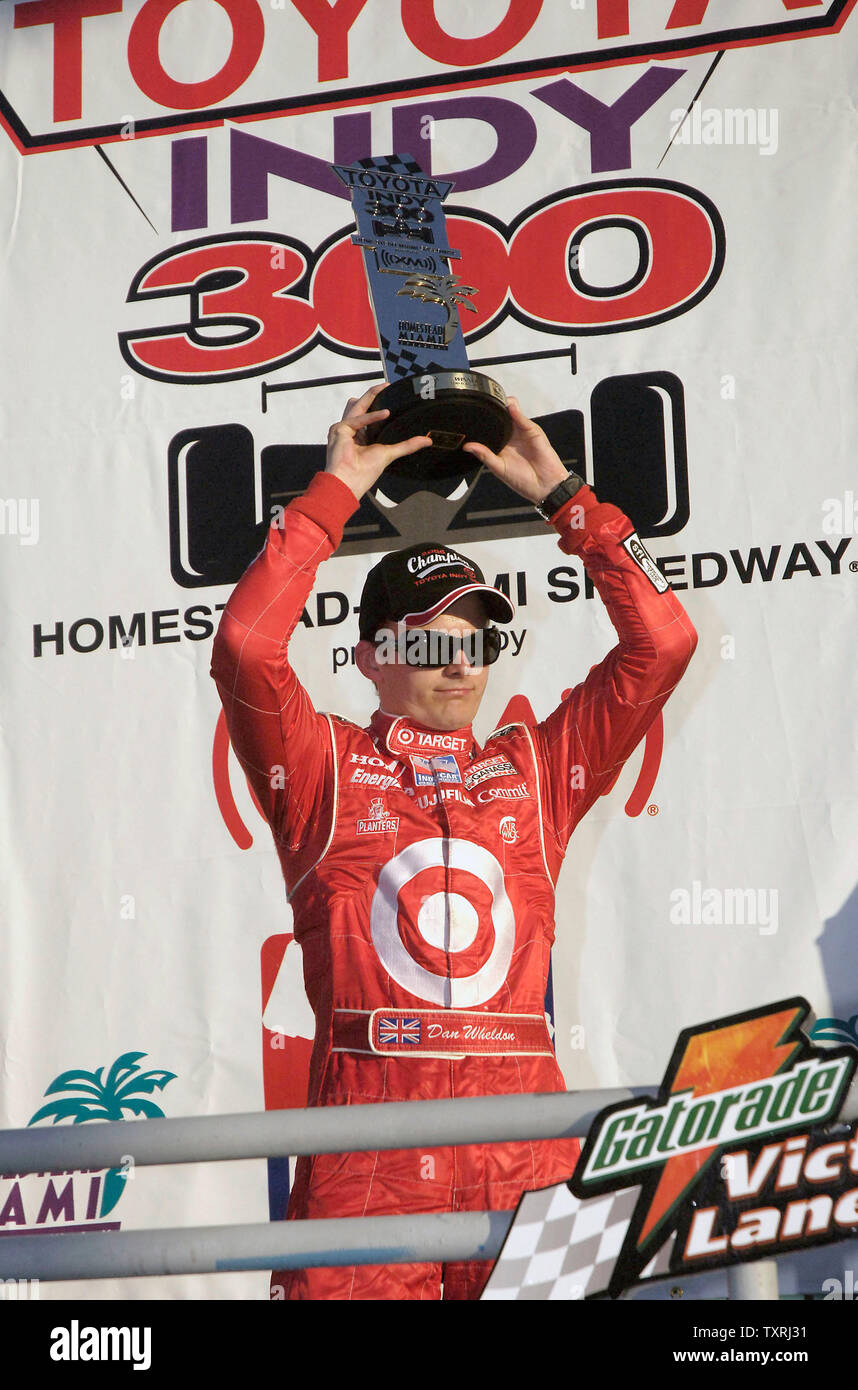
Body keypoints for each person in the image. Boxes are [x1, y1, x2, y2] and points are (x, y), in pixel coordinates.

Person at [210, 384, 698, 1300]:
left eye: (477, 639)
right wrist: (335, 492)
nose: (462, 662)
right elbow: (244, 646)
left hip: (530, 1164)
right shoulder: (320, 770)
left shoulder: (536, 772)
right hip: (366, 1168)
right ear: (371, 657)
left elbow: (663, 644)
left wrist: (564, 495)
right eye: (431, 640)